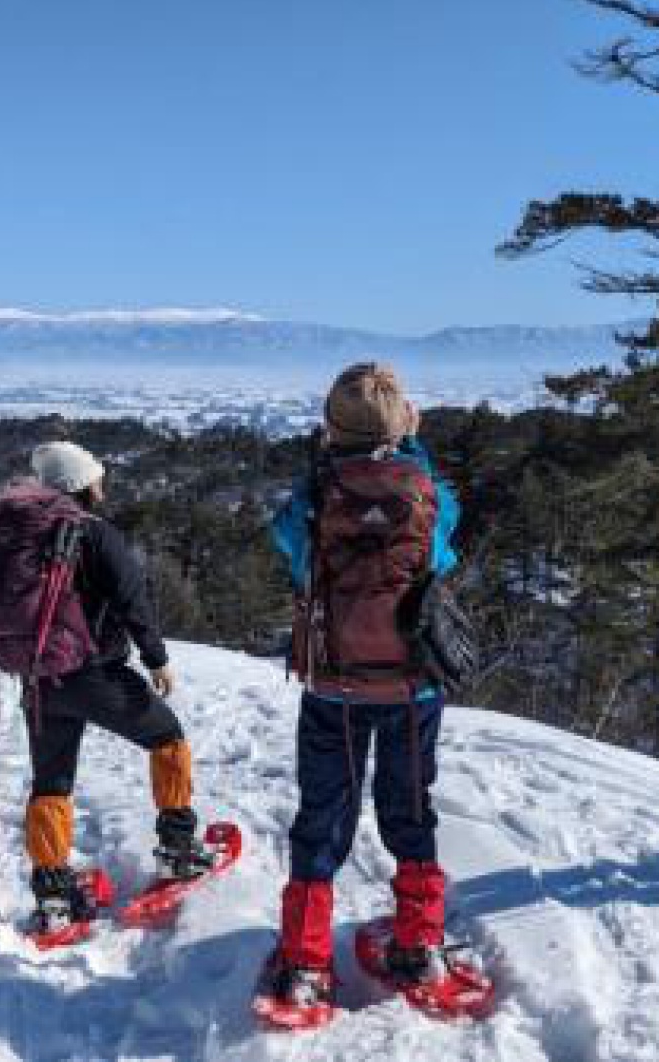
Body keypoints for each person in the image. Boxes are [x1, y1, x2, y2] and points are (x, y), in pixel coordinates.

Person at [263, 362, 462, 1006]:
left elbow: (290, 550)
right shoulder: (428, 487)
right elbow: (444, 553)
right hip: (413, 687)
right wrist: (413, 452)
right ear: (403, 420)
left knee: (322, 816)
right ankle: (419, 945)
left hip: (334, 684)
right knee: (410, 810)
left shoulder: (315, 495)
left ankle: (306, 961)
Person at [0, 440, 214, 933]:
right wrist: (156, 658)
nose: (103, 485)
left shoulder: (24, 534)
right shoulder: (94, 532)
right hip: (96, 676)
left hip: (40, 682)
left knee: (51, 783)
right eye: (97, 478)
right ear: (83, 485)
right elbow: (132, 597)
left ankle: (53, 896)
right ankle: (178, 850)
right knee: (167, 739)